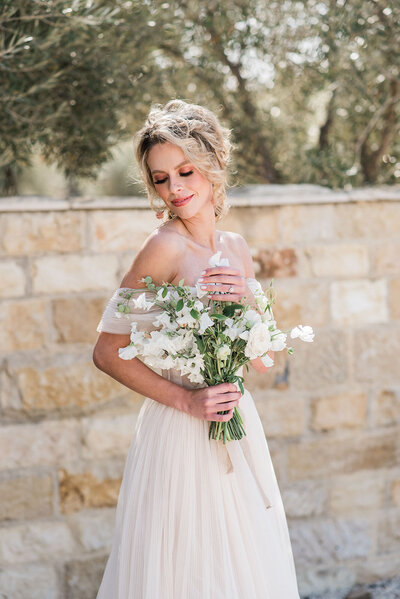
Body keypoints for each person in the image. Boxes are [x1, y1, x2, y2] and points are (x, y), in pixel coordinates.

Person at [93, 99, 301, 598]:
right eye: (161, 178)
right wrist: (188, 400)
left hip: (237, 423)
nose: (175, 188)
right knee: (182, 570)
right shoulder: (163, 247)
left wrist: (251, 302)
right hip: (181, 431)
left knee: (240, 566)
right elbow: (107, 349)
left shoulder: (236, 247)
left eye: (185, 171)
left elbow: (261, 360)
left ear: (213, 166)